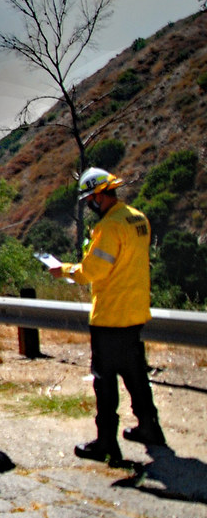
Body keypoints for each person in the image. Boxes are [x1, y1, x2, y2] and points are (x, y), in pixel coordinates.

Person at [47, 167, 166, 463]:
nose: (90, 204)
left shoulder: (109, 227)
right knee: (136, 374)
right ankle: (150, 427)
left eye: (91, 199)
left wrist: (63, 270)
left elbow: (92, 272)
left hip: (111, 315)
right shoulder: (138, 218)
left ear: (100, 196)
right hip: (135, 310)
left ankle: (106, 442)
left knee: (105, 381)